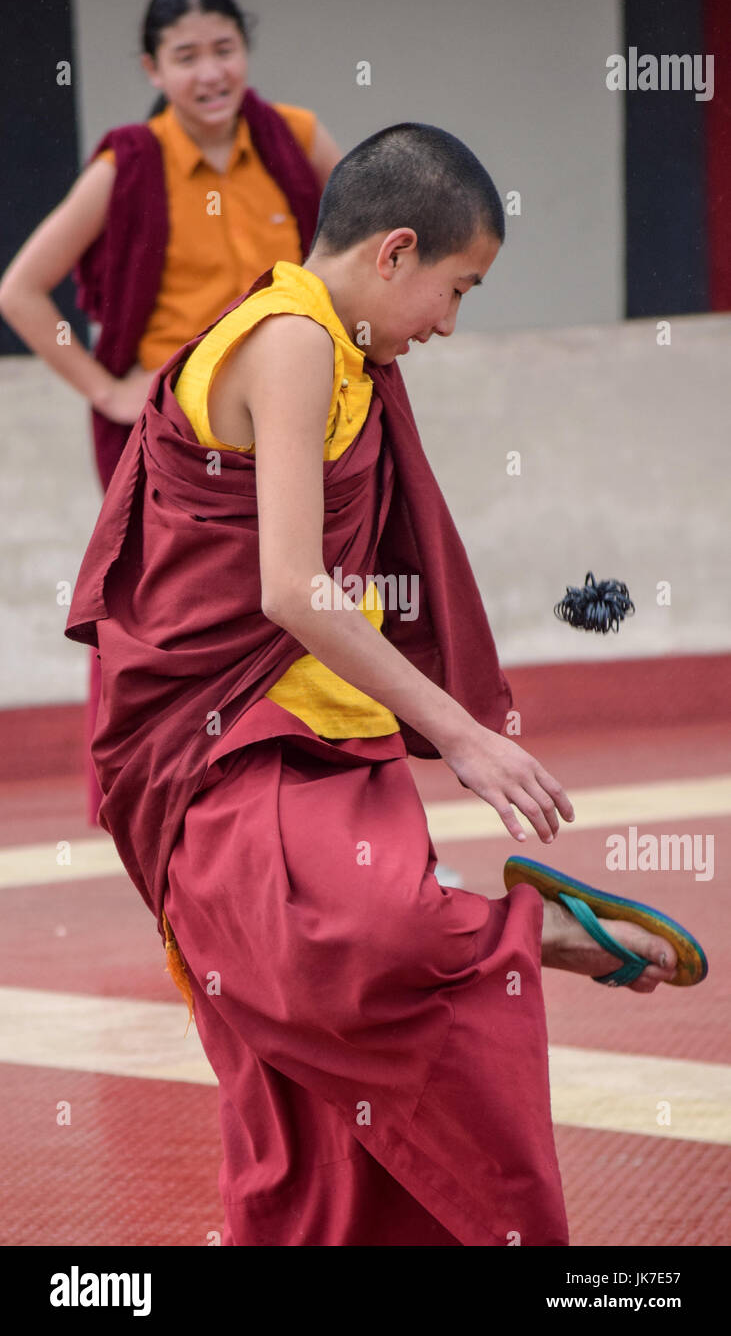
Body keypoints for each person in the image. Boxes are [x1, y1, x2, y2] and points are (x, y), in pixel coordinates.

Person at [65, 123, 698, 1248]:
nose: (449, 324)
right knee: (339, 954)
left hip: (309, 725)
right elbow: (290, 589)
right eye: (456, 289)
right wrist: (462, 733)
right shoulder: (295, 337)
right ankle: (533, 929)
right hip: (220, 734)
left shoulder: (347, 352)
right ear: (395, 251)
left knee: (316, 1057)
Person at [0, 0, 339, 825]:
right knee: (159, 619)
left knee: (298, 595)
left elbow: (362, 243)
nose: (210, 73)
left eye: (223, 49)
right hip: (175, 441)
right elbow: (21, 291)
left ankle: (301, 793)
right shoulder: (129, 165)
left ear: (245, 52)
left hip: (289, 424)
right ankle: (153, 799)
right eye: (185, 57)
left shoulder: (295, 140)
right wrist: (104, 389)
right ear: (153, 69)